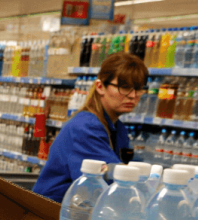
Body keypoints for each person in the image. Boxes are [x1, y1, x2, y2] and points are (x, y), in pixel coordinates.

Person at [33, 53, 147, 202]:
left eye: (138, 89)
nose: (133, 95)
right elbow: (104, 185)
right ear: (100, 87)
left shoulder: (117, 129)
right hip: (53, 216)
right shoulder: (85, 128)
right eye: (124, 87)